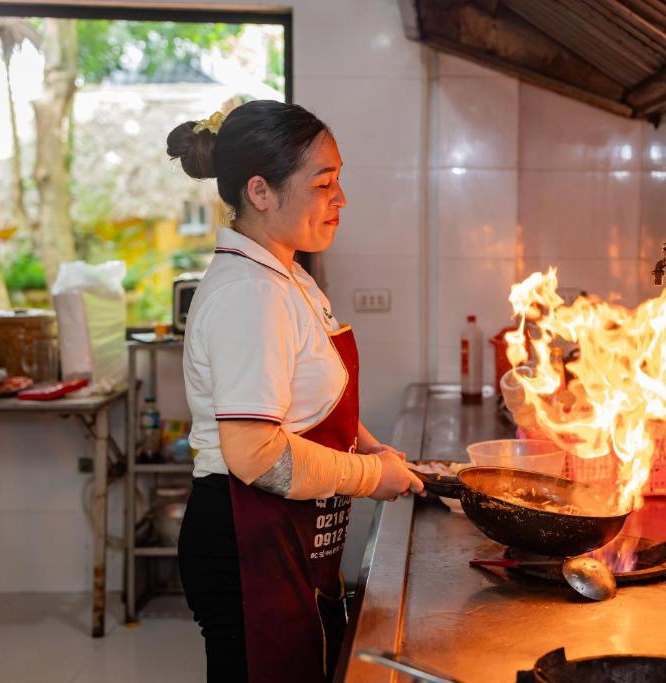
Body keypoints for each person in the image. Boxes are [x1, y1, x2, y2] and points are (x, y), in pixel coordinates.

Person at [167, 100, 424, 683]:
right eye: (324, 182)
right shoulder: (250, 295)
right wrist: (368, 478)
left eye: (340, 181)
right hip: (246, 537)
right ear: (260, 191)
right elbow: (256, 455)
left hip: (283, 535)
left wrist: (373, 450)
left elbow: (316, 396)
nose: (341, 199)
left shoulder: (289, 276)